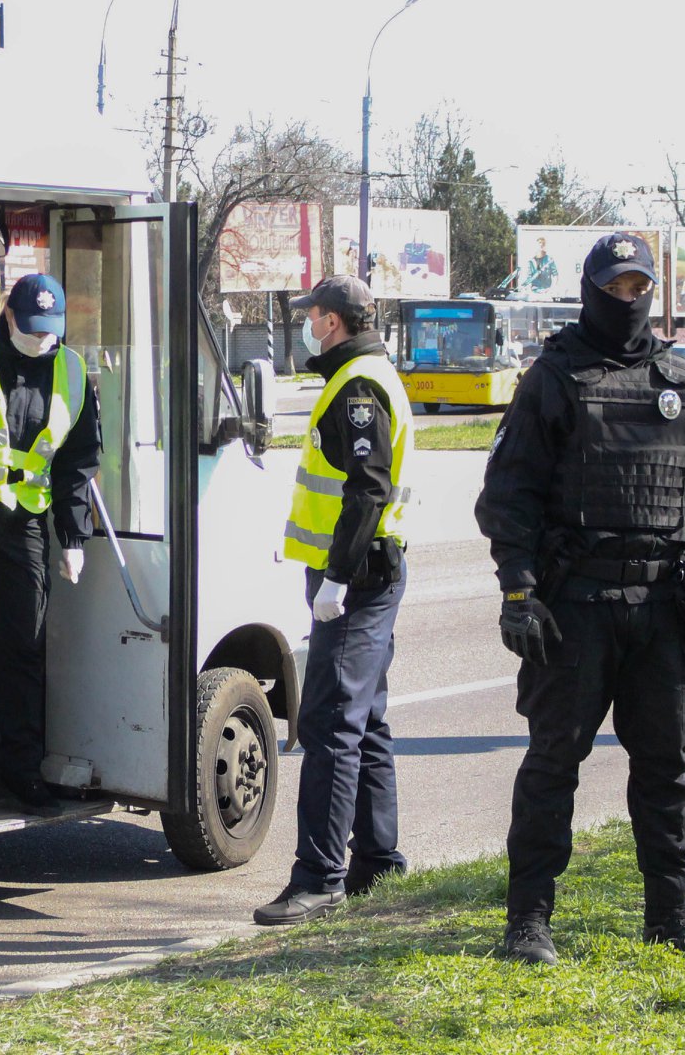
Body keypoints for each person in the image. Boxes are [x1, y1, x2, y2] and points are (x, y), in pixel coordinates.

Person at [475, 232, 685, 969]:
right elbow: (509, 498)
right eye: (615, 287)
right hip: (576, 609)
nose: (627, 299)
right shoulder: (555, 377)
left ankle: (672, 918)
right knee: (551, 766)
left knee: (666, 769)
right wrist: (518, 591)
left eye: (638, 287)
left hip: (662, 609)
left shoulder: (681, 381)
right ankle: (527, 922)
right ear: (591, 290)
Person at [254, 274, 413, 927]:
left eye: (312, 315)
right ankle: (377, 864)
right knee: (365, 720)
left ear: (333, 322)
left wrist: (339, 582)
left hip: (357, 578)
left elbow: (368, 489)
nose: (307, 325)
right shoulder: (360, 376)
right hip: (362, 572)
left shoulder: (358, 386)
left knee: (327, 723)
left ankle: (320, 878)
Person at [0, 274, 101, 816]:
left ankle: (21, 773)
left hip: (22, 519)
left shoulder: (71, 370)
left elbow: (78, 463)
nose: (41, 343)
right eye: (32, 333)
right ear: (9, 318)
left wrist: (73, 536)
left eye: (50, 334)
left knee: (24, 642)